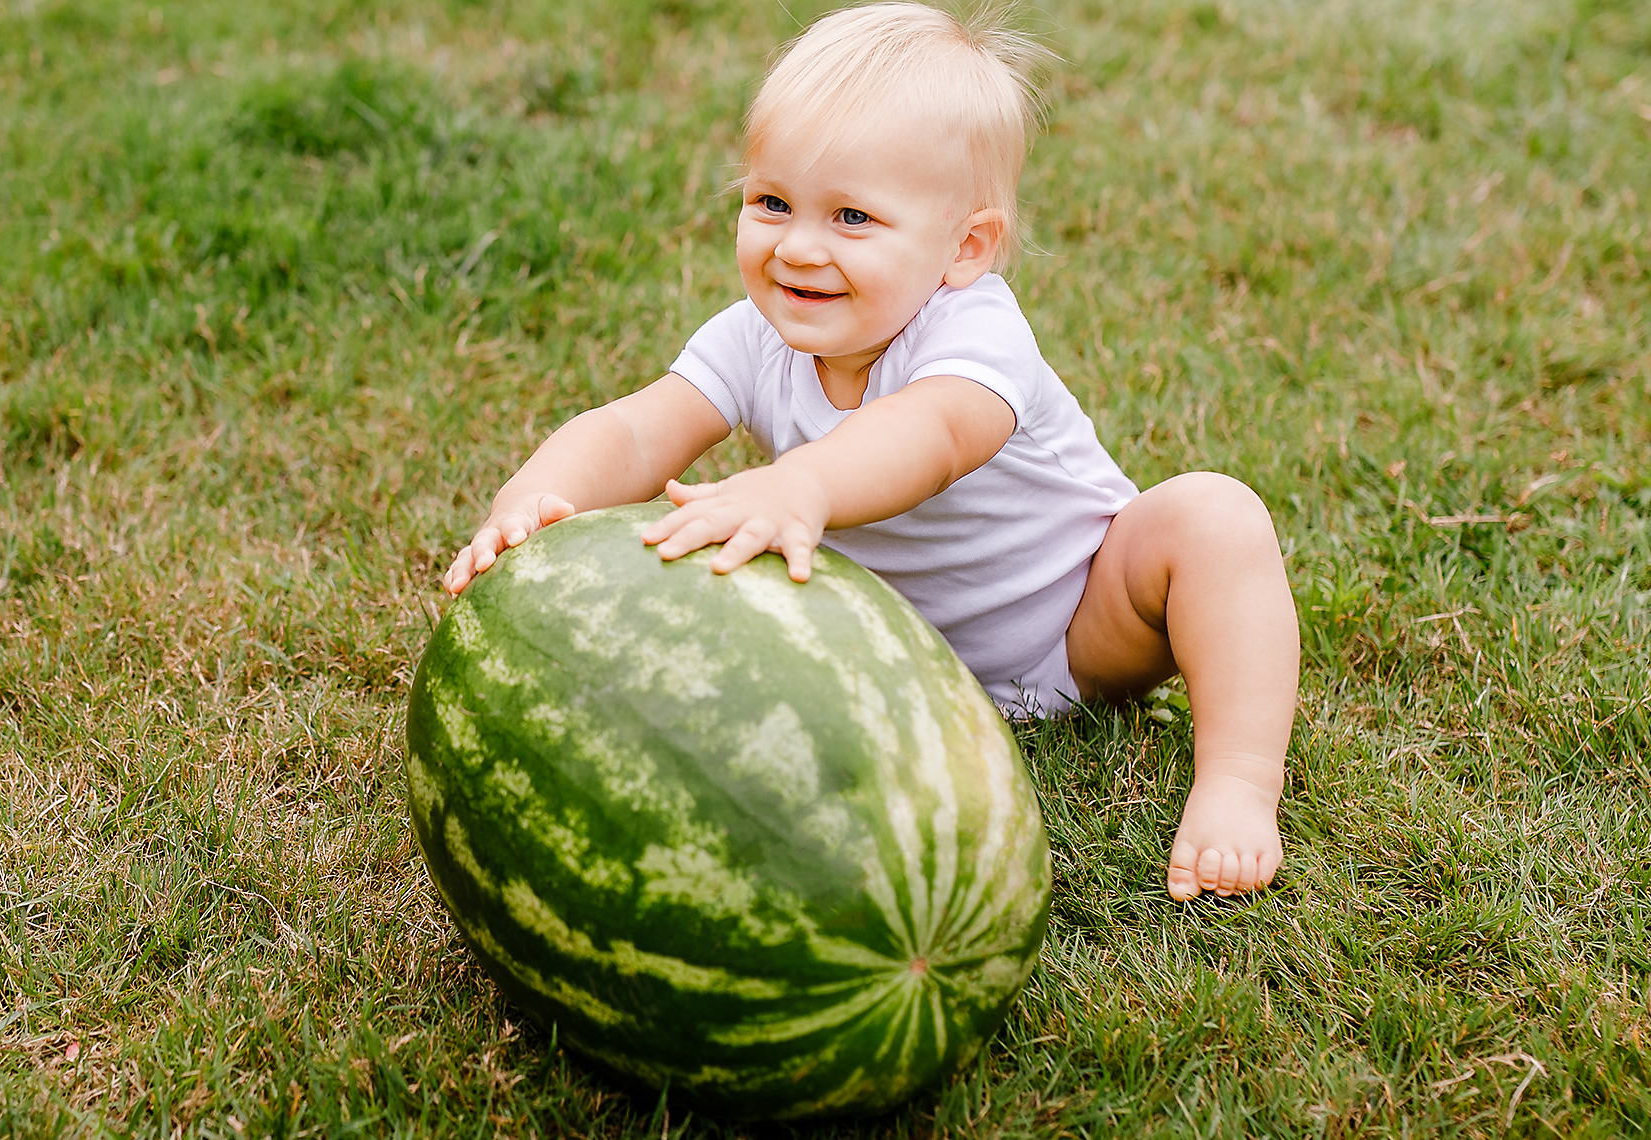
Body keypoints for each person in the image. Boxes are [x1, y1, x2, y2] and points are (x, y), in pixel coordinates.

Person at [440, 1, 1298, 902]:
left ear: (965, 247)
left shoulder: (974, 332)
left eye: (852, 217)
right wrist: (537, 498)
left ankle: (1237, 783)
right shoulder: (752, 342)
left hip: (1079, 622)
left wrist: (799, 483)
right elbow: (634, 428)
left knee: (1212, 515)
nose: (799, 246)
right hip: (890, 667)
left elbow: (930, 436)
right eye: (771, 203)